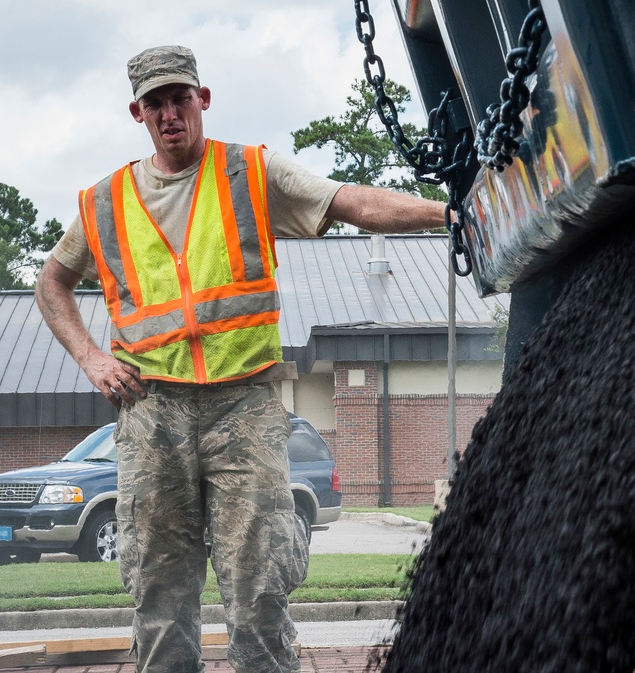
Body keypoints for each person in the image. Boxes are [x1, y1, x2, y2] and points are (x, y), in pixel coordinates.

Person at [35, 45, 445, 673]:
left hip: (243, 410)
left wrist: (452, 215)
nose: (170, 113)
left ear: (202, 99)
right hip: (151, 414)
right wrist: (91, 358)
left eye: (180, 98)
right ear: (137, 113)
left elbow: (353, 203)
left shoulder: (252, 172)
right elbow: (51, 283)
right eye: (156, 103)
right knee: (159, 592)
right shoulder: (103, 202)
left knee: (259, 586)